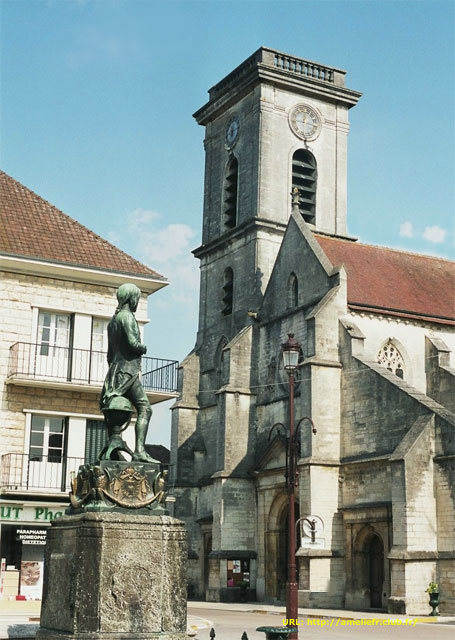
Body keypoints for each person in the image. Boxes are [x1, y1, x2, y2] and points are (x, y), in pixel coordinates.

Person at [100, 283, 158, 463]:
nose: (137, 302)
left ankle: (115, 447)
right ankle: (140, 450)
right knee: (145, 408)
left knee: (112, 409)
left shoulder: (112, 321)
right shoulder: (127, 318)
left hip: (114, 372)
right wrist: (143, 347)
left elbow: (109, 355)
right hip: (128, 371)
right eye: (137, 298)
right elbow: (134, 344)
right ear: (131, 298)